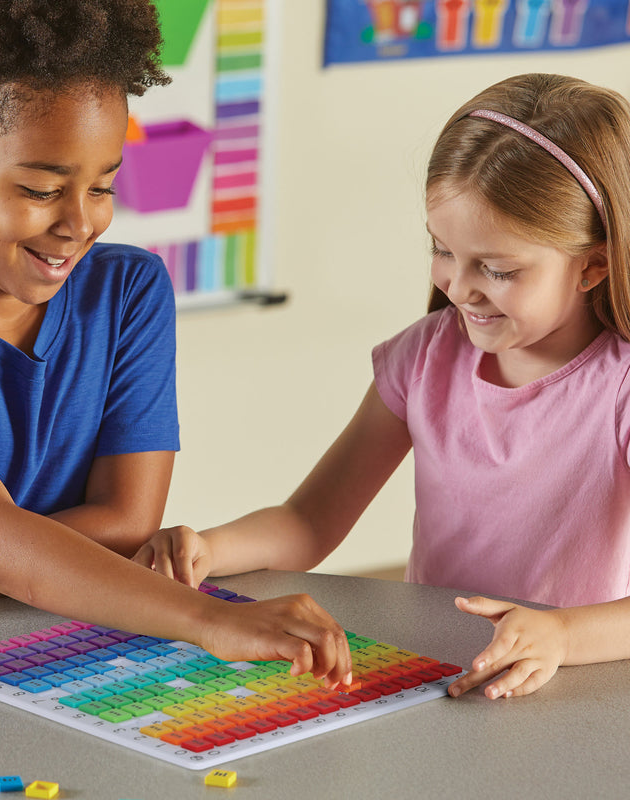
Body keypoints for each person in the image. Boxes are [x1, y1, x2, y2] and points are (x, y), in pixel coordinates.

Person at [0, 0, 352, 687]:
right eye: (41, 189)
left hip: (91, 641)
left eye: (103, 185)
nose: (81, 223)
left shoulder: (129, 290)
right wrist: (212, 621)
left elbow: (130, 518)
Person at [134, 73, 630, 699]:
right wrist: (210, 547)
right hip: (439, 674)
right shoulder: (423, 358)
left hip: (580, 685)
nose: (460, 286)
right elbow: (309, 521)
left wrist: (561, 635)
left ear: (592, 264)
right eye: (442, 250)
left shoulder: (620, 391)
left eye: (499, 269)